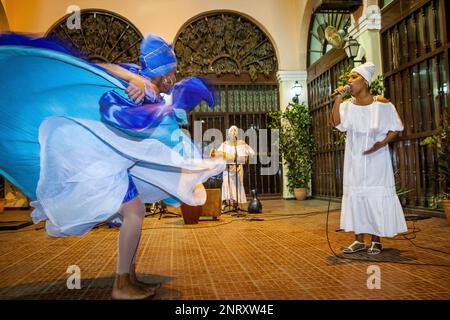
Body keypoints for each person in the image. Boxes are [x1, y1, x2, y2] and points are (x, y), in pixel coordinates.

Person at [0, 33, 225, 299]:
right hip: (98, 161)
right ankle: (122, 284)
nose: (174, 79)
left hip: (114, 164)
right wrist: (134, 80)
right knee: (135, 213)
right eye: (173, 73)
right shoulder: (141, 82)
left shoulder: (145, 84)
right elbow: (102, 69)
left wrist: (138, 82)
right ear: (164, 74)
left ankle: (129, 278)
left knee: (136, 212)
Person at [331, 62, 407, 255]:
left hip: (377, 160)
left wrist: (381, 144)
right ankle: (358, 240)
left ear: (365, 82)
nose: (349, 81)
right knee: (357, 195)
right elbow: (336, 123)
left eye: (354, 77)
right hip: (354, 158)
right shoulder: (347, 105)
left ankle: (376, 240)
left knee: (375, 196)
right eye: (349, 78)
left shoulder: (381, 104)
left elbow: (397, 127)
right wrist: (338, 100)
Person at [211, 125, 255, 208]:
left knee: (237, 185)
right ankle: (225, 202)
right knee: (226, 184)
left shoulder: (241, 143)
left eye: (234, 132)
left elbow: (251, 152)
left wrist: (245, 157)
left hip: (238, 169)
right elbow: (218, 154)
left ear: (236, 134)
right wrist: (216, 155)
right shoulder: (224, 144)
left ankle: (236, 203)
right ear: (228, 134)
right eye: (231, 132)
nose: (232, 133)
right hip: (227, 169)